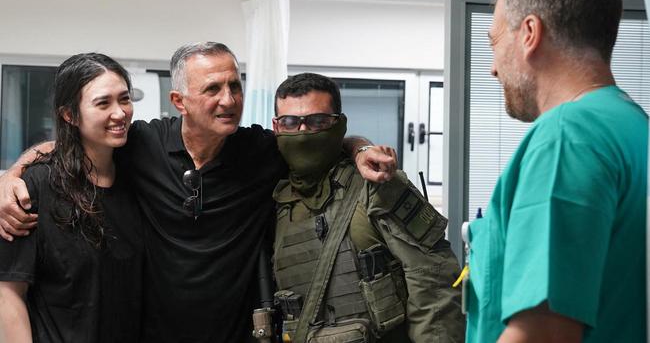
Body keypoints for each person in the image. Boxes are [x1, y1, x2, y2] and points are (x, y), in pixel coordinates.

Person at [0, 42, 397, 342]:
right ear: (179, 101)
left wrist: (359, 147)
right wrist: (11, 175)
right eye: (212, 89)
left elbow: (315, 137)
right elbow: (72, 144)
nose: (229, 100)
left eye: (235, 86)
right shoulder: (142, 145)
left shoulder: (260, 151)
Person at [467, 0, 648, 342]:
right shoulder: (633, 125)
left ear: (530, 33)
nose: (492, 68)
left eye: (494, 42)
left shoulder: (567, 136)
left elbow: (543, 333)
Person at [271, 73, 465, 342]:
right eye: (291, 122)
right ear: (276, 127)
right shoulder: (273, 199)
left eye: (318, 121)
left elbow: (434, 282)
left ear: (339, 124)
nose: (304, 133)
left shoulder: (377, 184)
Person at [0, 53, 144, 342]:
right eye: (103, 103)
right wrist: (9, 176)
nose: (119, 113)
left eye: (124, 99)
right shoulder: (36, 186)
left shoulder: (139, 174)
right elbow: (9, 294)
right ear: (70, 115)